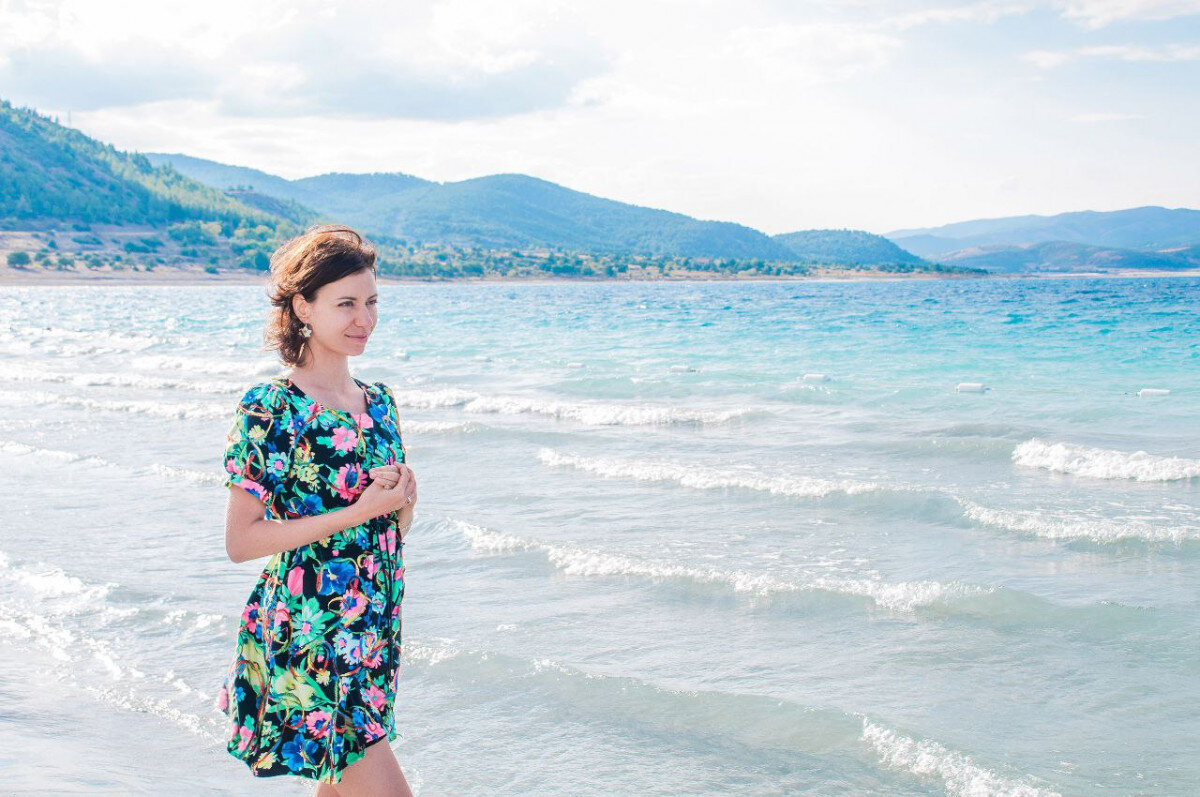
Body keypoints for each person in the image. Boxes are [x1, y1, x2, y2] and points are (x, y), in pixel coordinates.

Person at [216, 224, 417, 795]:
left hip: (372, 629)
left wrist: (404, 500)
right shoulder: (271, 408)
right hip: (312, 634)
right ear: (303, 307)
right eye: (346, 304)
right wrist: (358, 511)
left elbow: (390, 531)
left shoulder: (380, 403)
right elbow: (241, 542)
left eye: (372, 302)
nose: (364, 319)